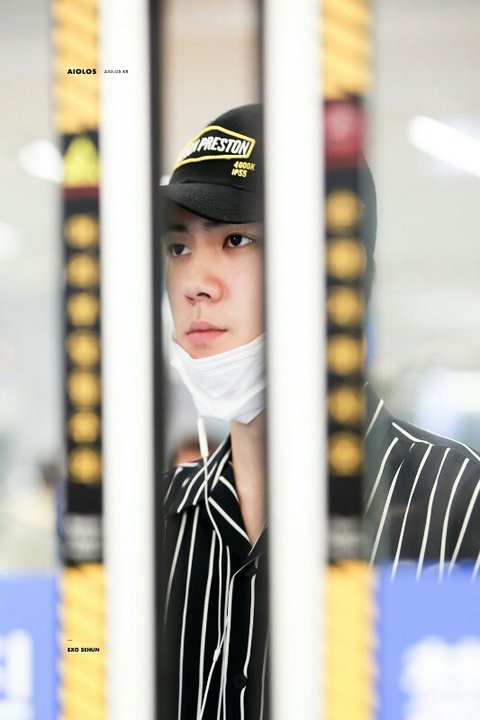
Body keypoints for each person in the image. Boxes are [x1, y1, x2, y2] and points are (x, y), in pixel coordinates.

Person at [159, 103, 480, 719]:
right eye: (177, 247)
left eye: (235, 240)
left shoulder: (456, 503)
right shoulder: (153, 522)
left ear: (339, 276)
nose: (195, 282)